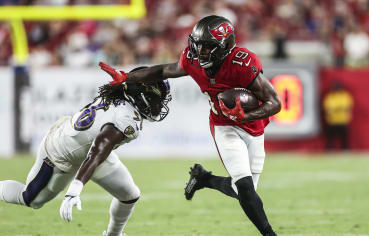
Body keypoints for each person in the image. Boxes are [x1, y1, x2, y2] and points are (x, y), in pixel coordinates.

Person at [100, 15, 281, 236]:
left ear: (224, 46)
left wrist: (246, 115)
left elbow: (275, 103)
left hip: (253, 126)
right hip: (224, 126)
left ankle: (203, 178)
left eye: (206, 47)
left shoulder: (242, 63)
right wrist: (128, 77)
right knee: (244, 187)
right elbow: (163, 71)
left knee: (240, 190)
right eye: (196, 45)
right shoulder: (193, 60)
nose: (199, 51)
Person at [0, 66, 172, 236]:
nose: (160, 105)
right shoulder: (126, 118)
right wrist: (76, 187)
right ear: (142, 96)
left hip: (90, 150)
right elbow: (98, 148)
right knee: (31, 199)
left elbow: (99, 148)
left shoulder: (120, 93)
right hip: (61, 154)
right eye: (158, 100)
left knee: (129, 195)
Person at [323, 81, 353, 150]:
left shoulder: (345, 96)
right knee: (330, 138)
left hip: (343, 120)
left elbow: (347, 107)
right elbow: (328, 108)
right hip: (332, 121)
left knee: (344, 138)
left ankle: (345, 150)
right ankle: (329, 150)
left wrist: (336, 109)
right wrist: (338, 109)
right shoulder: (330, 97)